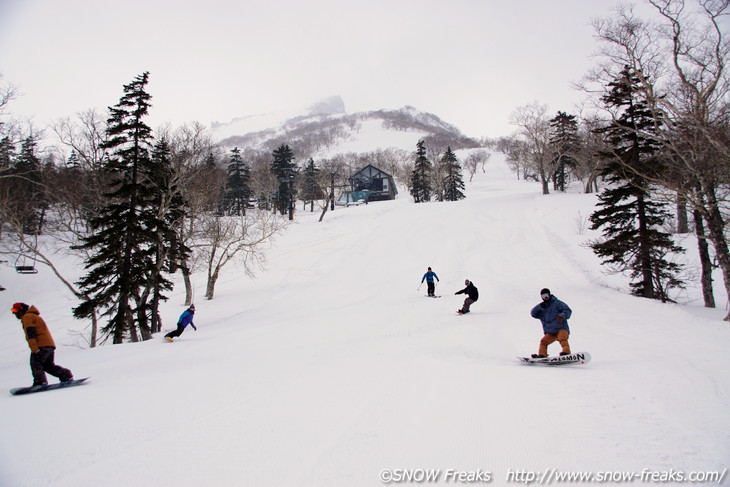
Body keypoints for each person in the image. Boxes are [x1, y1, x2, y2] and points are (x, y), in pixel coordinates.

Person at [11, 303, 74, 386]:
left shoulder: (27, 317)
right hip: (49, 345)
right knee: (48, 366)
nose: (14, 313)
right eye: (12, 311)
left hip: (41, 346)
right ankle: (66, 375)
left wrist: (34, 348)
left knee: (35, 363)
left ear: (21, 309)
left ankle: (40, 381)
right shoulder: (34, 316)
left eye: (15, 310)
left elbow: (30, 333)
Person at [530, 288, 572, 358]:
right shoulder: (542, 308)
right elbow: (533, 314)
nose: (545, 298)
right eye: (543, 296)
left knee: (562, 338)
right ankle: (542, 355)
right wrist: (539, 307)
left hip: (561, 328)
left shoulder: (557, 303)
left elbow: (567, 310)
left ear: (549, 295)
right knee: (543, 342)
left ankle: (566, 352)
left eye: (546, 295)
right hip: (551, 332)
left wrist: (562, 316)